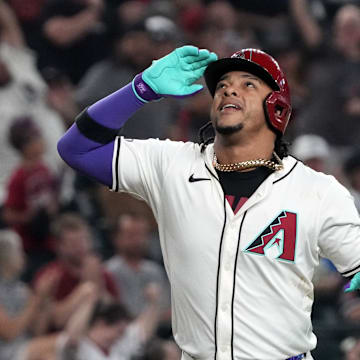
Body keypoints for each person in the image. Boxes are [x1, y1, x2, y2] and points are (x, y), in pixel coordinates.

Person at [57, 45, 360, 359]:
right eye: (222, 85)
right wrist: (140, 89)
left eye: (248, 84)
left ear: (278, 108)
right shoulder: (171, 165)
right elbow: (76, 149)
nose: (229, 89)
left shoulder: (318, 191)